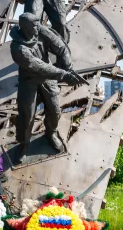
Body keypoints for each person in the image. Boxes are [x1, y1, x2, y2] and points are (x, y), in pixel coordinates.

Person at [10, 13, 86, 164]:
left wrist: (68, 67)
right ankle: (24, 144)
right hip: (29, 80)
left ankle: (51, 133)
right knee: (27, 115)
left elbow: (61, 47)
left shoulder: (40, 30)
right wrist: (64, 75)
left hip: (48, 77)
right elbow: (39, 67)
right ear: (25, 28)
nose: (37, 28)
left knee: (55, 110)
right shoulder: (17, 48)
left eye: (38, 24)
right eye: (34, 26)